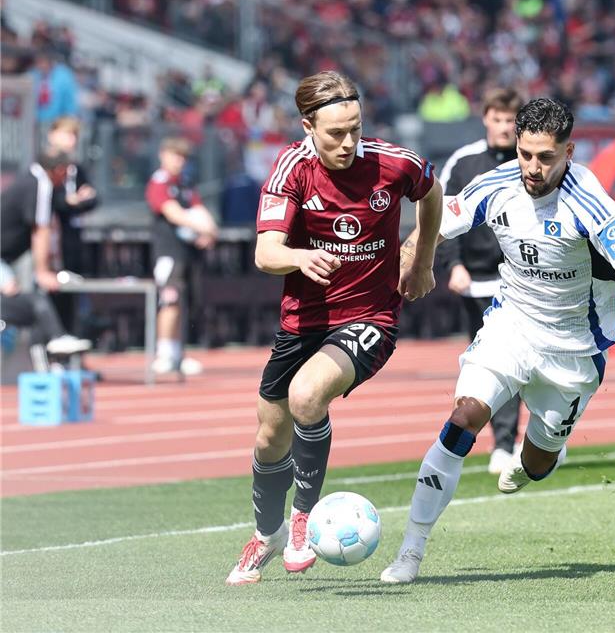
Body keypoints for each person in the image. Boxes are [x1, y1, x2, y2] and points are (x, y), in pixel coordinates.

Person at [380, 98, 615, 584]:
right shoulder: (494, 185)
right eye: (525, 154)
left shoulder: (590, 201)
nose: (533, 168)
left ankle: (526, 464)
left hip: (575, 350)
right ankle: (410, 552)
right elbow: (431, 222)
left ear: (569, 152)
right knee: (462, 419)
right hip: (511, 326)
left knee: (537, 463)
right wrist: (415, 263)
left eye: (545, 158)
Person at [225, 70, 443, 586]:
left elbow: (432, 195)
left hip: (370, 318)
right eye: (335, 133)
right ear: (308, 126)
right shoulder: (291, 169)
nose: (348, 142)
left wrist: (423, 258)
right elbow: (265, 252)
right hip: (302, 322)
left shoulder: (394, 163)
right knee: (267, 439)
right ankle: (267, 535)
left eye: (355, 129)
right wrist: (300, 256)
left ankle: (303, 520)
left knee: (306, 397)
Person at [439, 87, 527, 474]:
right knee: (488, 364)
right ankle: (502, 443)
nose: (505, 127)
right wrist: (452, 265)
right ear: (486, 119)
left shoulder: (533, 160)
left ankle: (514, 443)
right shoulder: (464, 162)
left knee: (517, 361)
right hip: (476, 282)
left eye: (512, 120)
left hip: (523, 281)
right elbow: (442, 219)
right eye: (498, 119)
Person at [0, 149, 91, 357]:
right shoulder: (39, 184)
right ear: (58, 170)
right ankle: (55, 338)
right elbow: (40, 230)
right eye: (67, 172)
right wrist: (42, 271)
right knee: (20, 296)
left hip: (5, 259)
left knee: (25, 300)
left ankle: (49, 345)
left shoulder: (32, 181)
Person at [145, 137, 218, 376]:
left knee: (185, 303)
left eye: (182, 158)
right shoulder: (160, 183)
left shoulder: (185, 183)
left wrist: (209, 230)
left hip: (188, 252)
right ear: (163, 155)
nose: (179, 162)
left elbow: (198, 209)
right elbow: (173, 213)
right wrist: (202, 228)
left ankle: (178, 353)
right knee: (169, 300)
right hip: (168, 252)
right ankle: (164, 353)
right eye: (175, 155)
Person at [47, 116, 98, 333]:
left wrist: (80, 201)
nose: (71, 140)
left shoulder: (77, 169)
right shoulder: (46, 166)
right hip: (50, 241)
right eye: (67, 134)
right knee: (52, 295)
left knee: (73, 294)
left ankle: (70, 338)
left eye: (74, 135)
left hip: (73, 239)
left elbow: (91, 197)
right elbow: (49, 200)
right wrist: (69, 201)